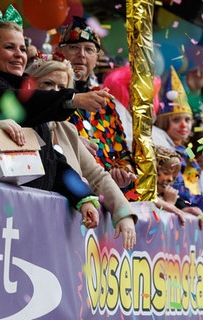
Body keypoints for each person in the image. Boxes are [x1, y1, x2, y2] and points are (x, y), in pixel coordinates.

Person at [0, 4, 102, 230]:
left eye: (22, 47)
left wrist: (83, 198)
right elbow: (13, 103)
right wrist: (71, 99)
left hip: (23, 219)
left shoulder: (26, 97)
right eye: (10, 47)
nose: (19, 54)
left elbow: (53, 162)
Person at [25, 55, 137, 249]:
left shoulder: (68, 130)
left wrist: (123, 214)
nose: (55, 92)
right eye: (48, 84)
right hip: (28, 229)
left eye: (62, 88)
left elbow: (97, 176)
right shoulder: (22, 123)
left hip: (67, 243)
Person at [57, 16, 138, 200]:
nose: (82, 55)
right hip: (69, 193)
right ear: (60, 52)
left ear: (96, 59)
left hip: (107, 196)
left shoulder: (106, 102)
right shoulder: (50, 92)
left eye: (89, 50)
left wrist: (123, 171)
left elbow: (122, 153)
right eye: (74, 47)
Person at [154, 67, 203, 222]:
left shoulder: (186, 151)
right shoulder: (163, 146)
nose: (184, 125)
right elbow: (178, 186)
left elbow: (195, 177)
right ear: (164, 121)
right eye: (176, 120)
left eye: (187, 120)